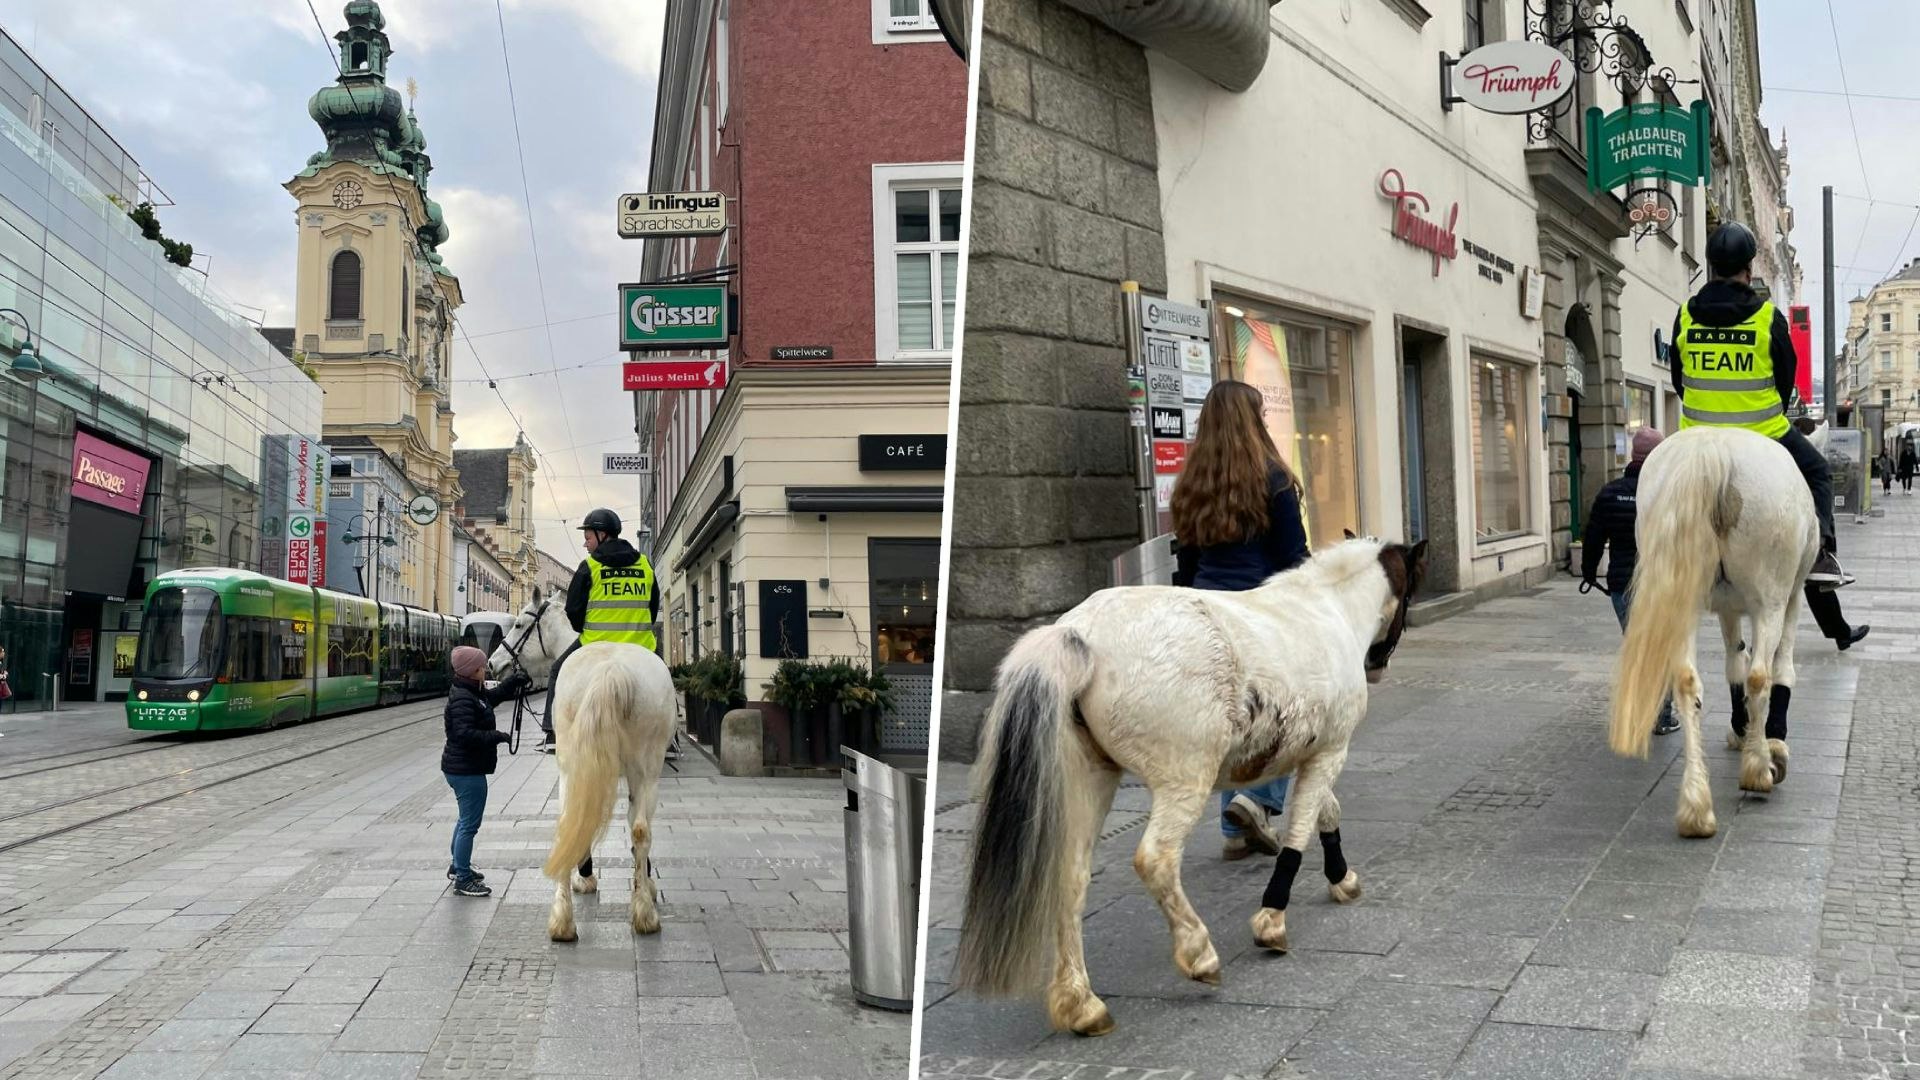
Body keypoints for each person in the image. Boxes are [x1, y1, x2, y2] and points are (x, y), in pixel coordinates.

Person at [1669, 221, 1850, 589]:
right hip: (1764, 430)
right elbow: (1785, 380)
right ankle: (1822, 555)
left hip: (1696, 436)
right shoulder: (1768, 317)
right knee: (1818, 472)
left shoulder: (1685, 315)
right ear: (1749, 270)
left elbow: (1678, 380)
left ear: (1711, 266)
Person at [1170, 380, 1308, 861]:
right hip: (1260, 612)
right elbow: (1293, 558)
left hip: (1207, 613)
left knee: (1232, 718)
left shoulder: (1192, 482)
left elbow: (1186, 563)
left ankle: (1235, 825)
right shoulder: (1274, 479)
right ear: (1253, 420)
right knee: (1293, 713)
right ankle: (1257, 798)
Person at [1583, 427, 1678, 736]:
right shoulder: (1669, 493)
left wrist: (1588, 572)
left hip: (1622, 585)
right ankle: (1660, 716)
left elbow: (1593, 539)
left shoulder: (1610, 492)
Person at [539, 507, 657, 753]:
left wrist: (585, 629)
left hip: (594, 644)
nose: (585, 544)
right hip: (640, 645)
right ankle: (671, 736)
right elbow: (653, 607)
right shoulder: (645, 565)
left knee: (556, 670)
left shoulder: (590, 566)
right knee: (660, 678)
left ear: (602, 535)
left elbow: (573, 609)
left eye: (588, 537)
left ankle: (551, 733)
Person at [442, 646, 530, 897]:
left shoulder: (471, 691)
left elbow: (491, 699)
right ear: (472, 671)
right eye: (481, 667)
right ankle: (463, 878)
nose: (485, 670)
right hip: (466, 770)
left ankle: (458, 865)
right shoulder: (463, 698)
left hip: (464, 767)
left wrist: (512, 682)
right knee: (470, 824)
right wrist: (496, 736)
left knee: (464, 821)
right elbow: (462, 734)